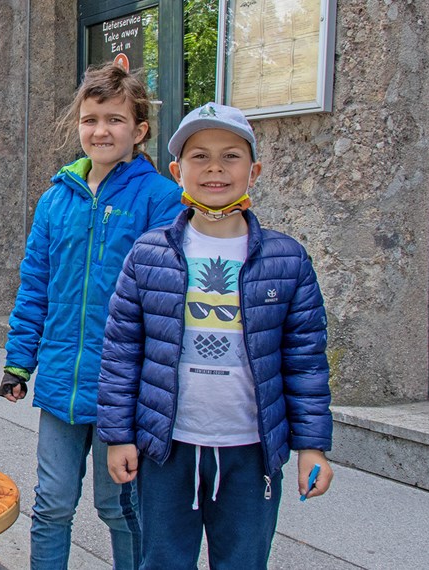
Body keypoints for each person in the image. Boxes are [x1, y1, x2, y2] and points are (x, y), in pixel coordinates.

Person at [97, 103, 334, 569]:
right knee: (162, 560)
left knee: (243, 561)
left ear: (254, 169)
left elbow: (305, 361)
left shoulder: (286, 260)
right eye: (199, 156)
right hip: (168, 448)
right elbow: (122, 352)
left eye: (230, 156)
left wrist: (312, 446)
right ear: (176, 170)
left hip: (250, 449)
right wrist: (118, 436)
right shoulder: (148, 255)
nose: (215, 169)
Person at [0, 62, 184, 569]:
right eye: (90, 119)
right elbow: (35, 285)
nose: (101, 130)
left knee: (119, 508)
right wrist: (19, 361)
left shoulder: (161, 200)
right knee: (52, 504)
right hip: (60, 380)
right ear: (78, 125)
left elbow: (166, 301)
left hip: (122, 389)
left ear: (139, 130)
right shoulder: (55, 200)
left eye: (115, 120)